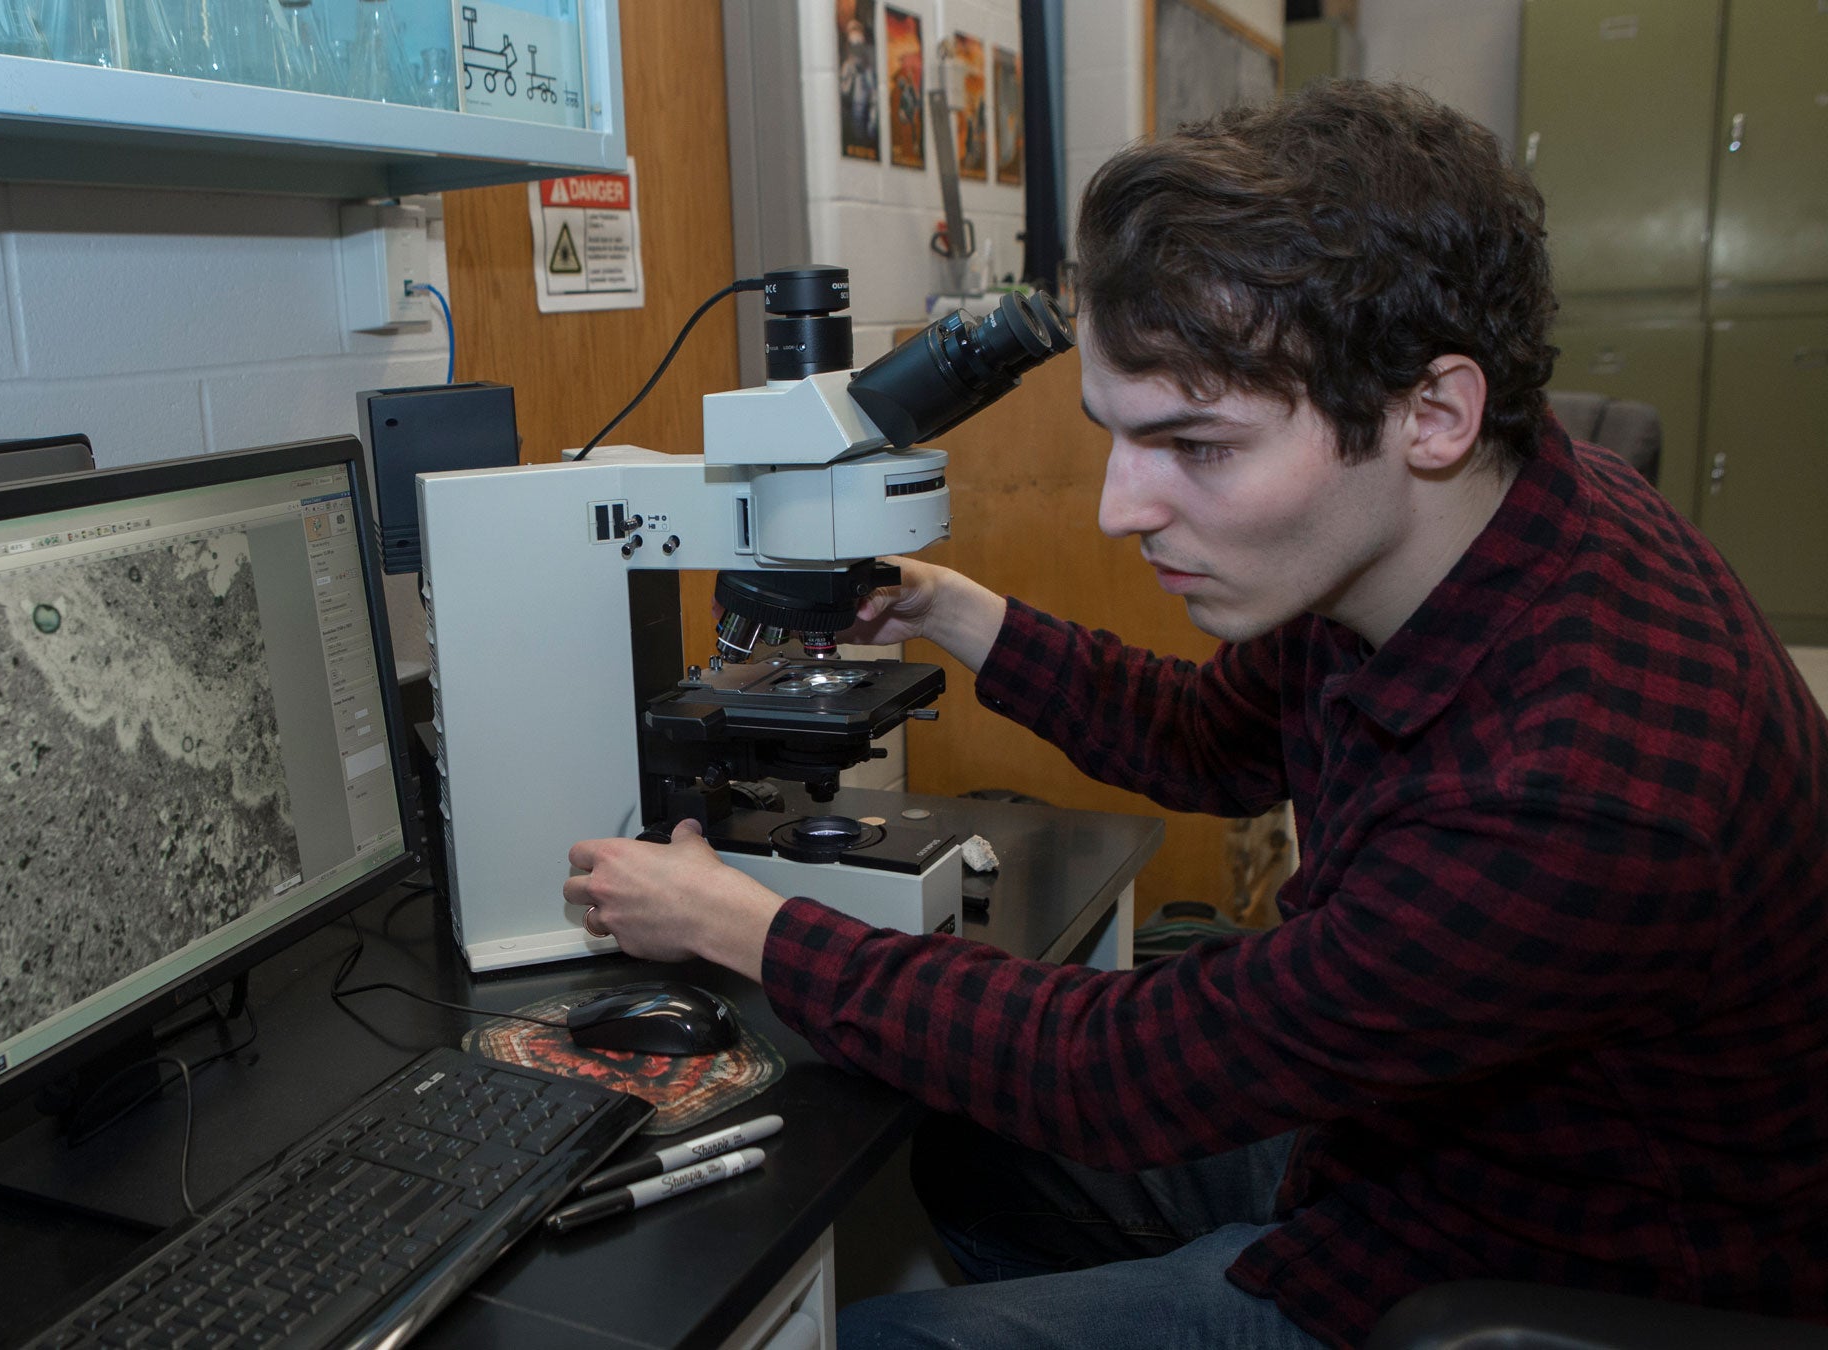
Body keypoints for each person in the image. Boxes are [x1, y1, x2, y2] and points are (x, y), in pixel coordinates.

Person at [564, 80, 1828, 1350]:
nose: (1122, 508)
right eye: (1117, 435)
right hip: (1420, 1131)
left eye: (1199, 447)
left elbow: (1116, 1077)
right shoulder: (1459, 524)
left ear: (1431, 413)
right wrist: (953, 610)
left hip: (1530, 1260)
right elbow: (1208, 742)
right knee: (967, 1142)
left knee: (883, 1340)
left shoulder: (1576, 786)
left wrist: (751, 929)